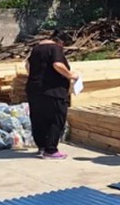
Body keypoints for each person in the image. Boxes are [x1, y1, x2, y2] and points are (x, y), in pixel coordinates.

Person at [25, 31, 79, 160]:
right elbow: (57, 64)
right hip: (53, 90)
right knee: (56, 118)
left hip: (34, 89)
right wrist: (71, 75)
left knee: (39, 118)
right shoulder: (55, 48)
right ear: (61, 42)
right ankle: (51, 150)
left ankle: (42, 147)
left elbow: (27, 65)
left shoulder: (36, 49)